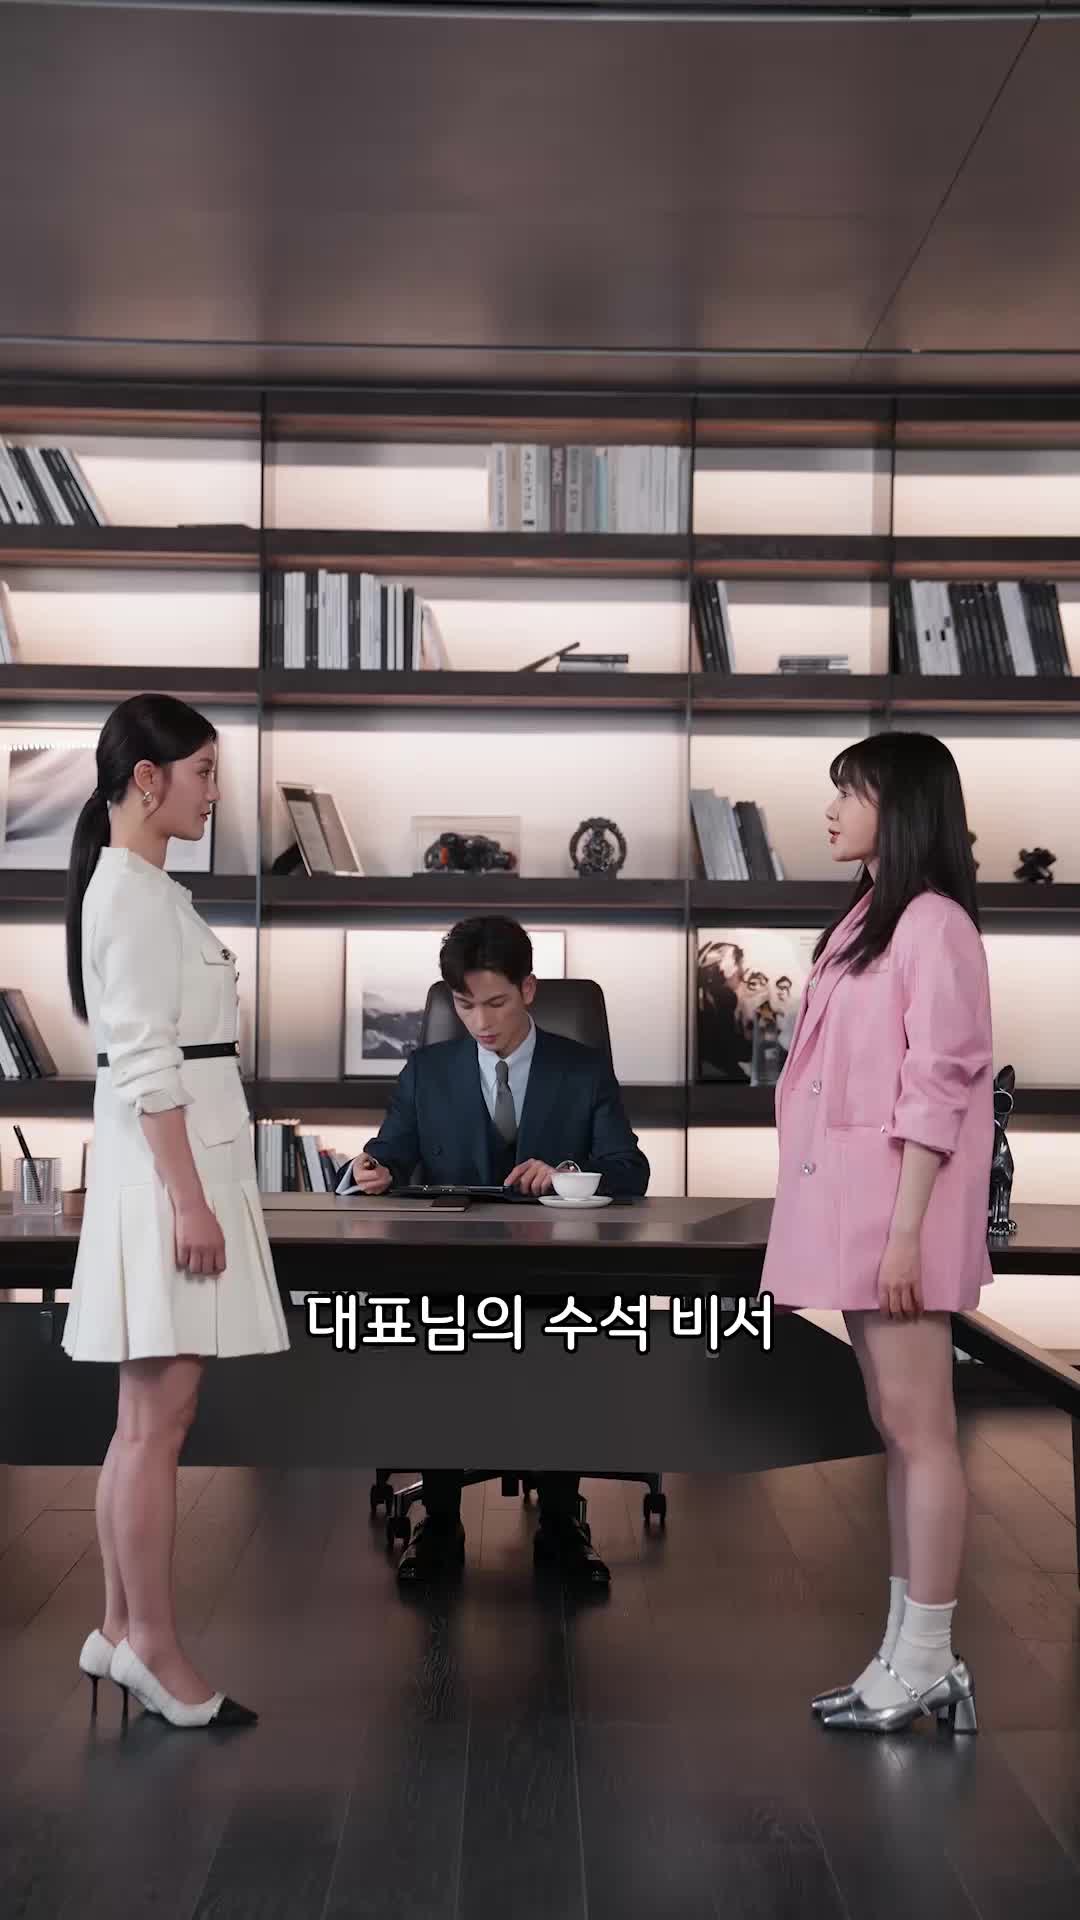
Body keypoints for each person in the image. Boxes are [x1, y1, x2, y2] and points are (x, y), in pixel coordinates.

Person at [62, 694, 289, 1729]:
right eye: (202, 774)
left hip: (170, 1170)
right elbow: (150, 1067)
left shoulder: (141, 889)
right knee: (158, 1426)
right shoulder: (132, 896)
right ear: (146, 779)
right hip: (173, 1179)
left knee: (140, 1425)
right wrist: (191, 1202)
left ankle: (120, 1631)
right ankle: (151, 1645)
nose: (213, 795)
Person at [761, 731, 993, 1735]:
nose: (830, 810)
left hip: (900, 1220)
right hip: (861, 1215)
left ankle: (931, 1658)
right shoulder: (868, 918)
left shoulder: (935, 923)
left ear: (900, 808)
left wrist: (905, 1237)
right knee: (900, 1433)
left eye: (849, 794)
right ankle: (904, 1654)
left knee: (923, 1434)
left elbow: (937, 1087)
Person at [336, 914, 650, 1586]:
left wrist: (567, 1175)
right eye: (464, 1005)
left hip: (556, 1265)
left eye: (497, 1003)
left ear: (528, 990)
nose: (481, 1021)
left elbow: (630, 1169)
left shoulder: (582, 1068)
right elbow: (391, 1150)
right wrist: (374, 1167)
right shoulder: (427, 1070)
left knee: (564, 1341)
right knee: (437, 1338)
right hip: (453, 1265)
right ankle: (440, 1522)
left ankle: (561, 1522)